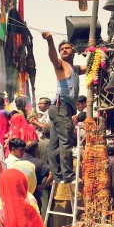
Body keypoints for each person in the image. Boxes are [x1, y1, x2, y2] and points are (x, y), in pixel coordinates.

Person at [41, 33, 86, 183]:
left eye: (67, 48)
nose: (65, 50)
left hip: (58, 108)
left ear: (73, 51)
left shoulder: (75, 68)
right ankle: (68, 176)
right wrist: (50, 41)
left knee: (54, 144)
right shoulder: (60, 64)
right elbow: (52, 57)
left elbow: (92, 66)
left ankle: (57, 175)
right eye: (62, 49)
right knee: (66, 142)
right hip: (61, 107)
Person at [22, 140, 52, 217]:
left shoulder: (18, 160)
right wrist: (44, 185)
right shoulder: (39, 162)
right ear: (36, 150)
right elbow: (52, 173)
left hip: (20, 194)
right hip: (34, 194)